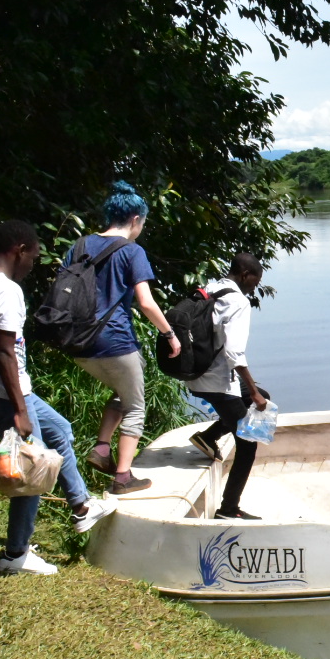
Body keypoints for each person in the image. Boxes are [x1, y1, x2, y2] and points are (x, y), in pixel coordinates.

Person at [0, 220, 116, 574]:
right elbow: (4, 351)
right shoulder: (6, 290)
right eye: (34, 256)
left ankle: (81, 506)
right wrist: (19, 409)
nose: (33, 264)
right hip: (6, 392)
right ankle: (15, 554)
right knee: (33, 465)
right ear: (20, 250)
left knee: (60, 429)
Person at [71, 181, 181, 496]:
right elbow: (146, 302)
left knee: (124, 391)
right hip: (115, 342)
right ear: (135, 219)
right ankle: (122, 478)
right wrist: (170, 334)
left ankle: (101, 449)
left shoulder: (79, 246)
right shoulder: (132, 251)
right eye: (142, 223)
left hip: (78, 343)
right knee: (135, 406)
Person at [186, 253, 269, 520]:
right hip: (217, 382)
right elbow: (234, 353)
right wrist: (252, 391)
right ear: (245, 275)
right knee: (248, 444)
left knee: (261, 395)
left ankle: (208, 437)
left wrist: (256, 393)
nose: (254, 287)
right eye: (255, 281)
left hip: (195, 374)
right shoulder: (238, 302)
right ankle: (229, 509)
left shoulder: (210, 288)